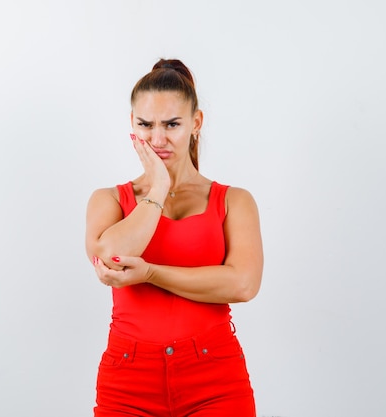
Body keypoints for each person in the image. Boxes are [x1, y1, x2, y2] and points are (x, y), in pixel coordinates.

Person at [85, 58, 263, 417]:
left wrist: (151, 273)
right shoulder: (108, 199)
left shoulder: (234, 200)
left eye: (172, 125)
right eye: (145, 125)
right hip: (128, 381)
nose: (158, 139)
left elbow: (242, 284)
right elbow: (111, 258)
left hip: (215, 377)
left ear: (196, 123)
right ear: (131, 125)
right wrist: (159, 188)